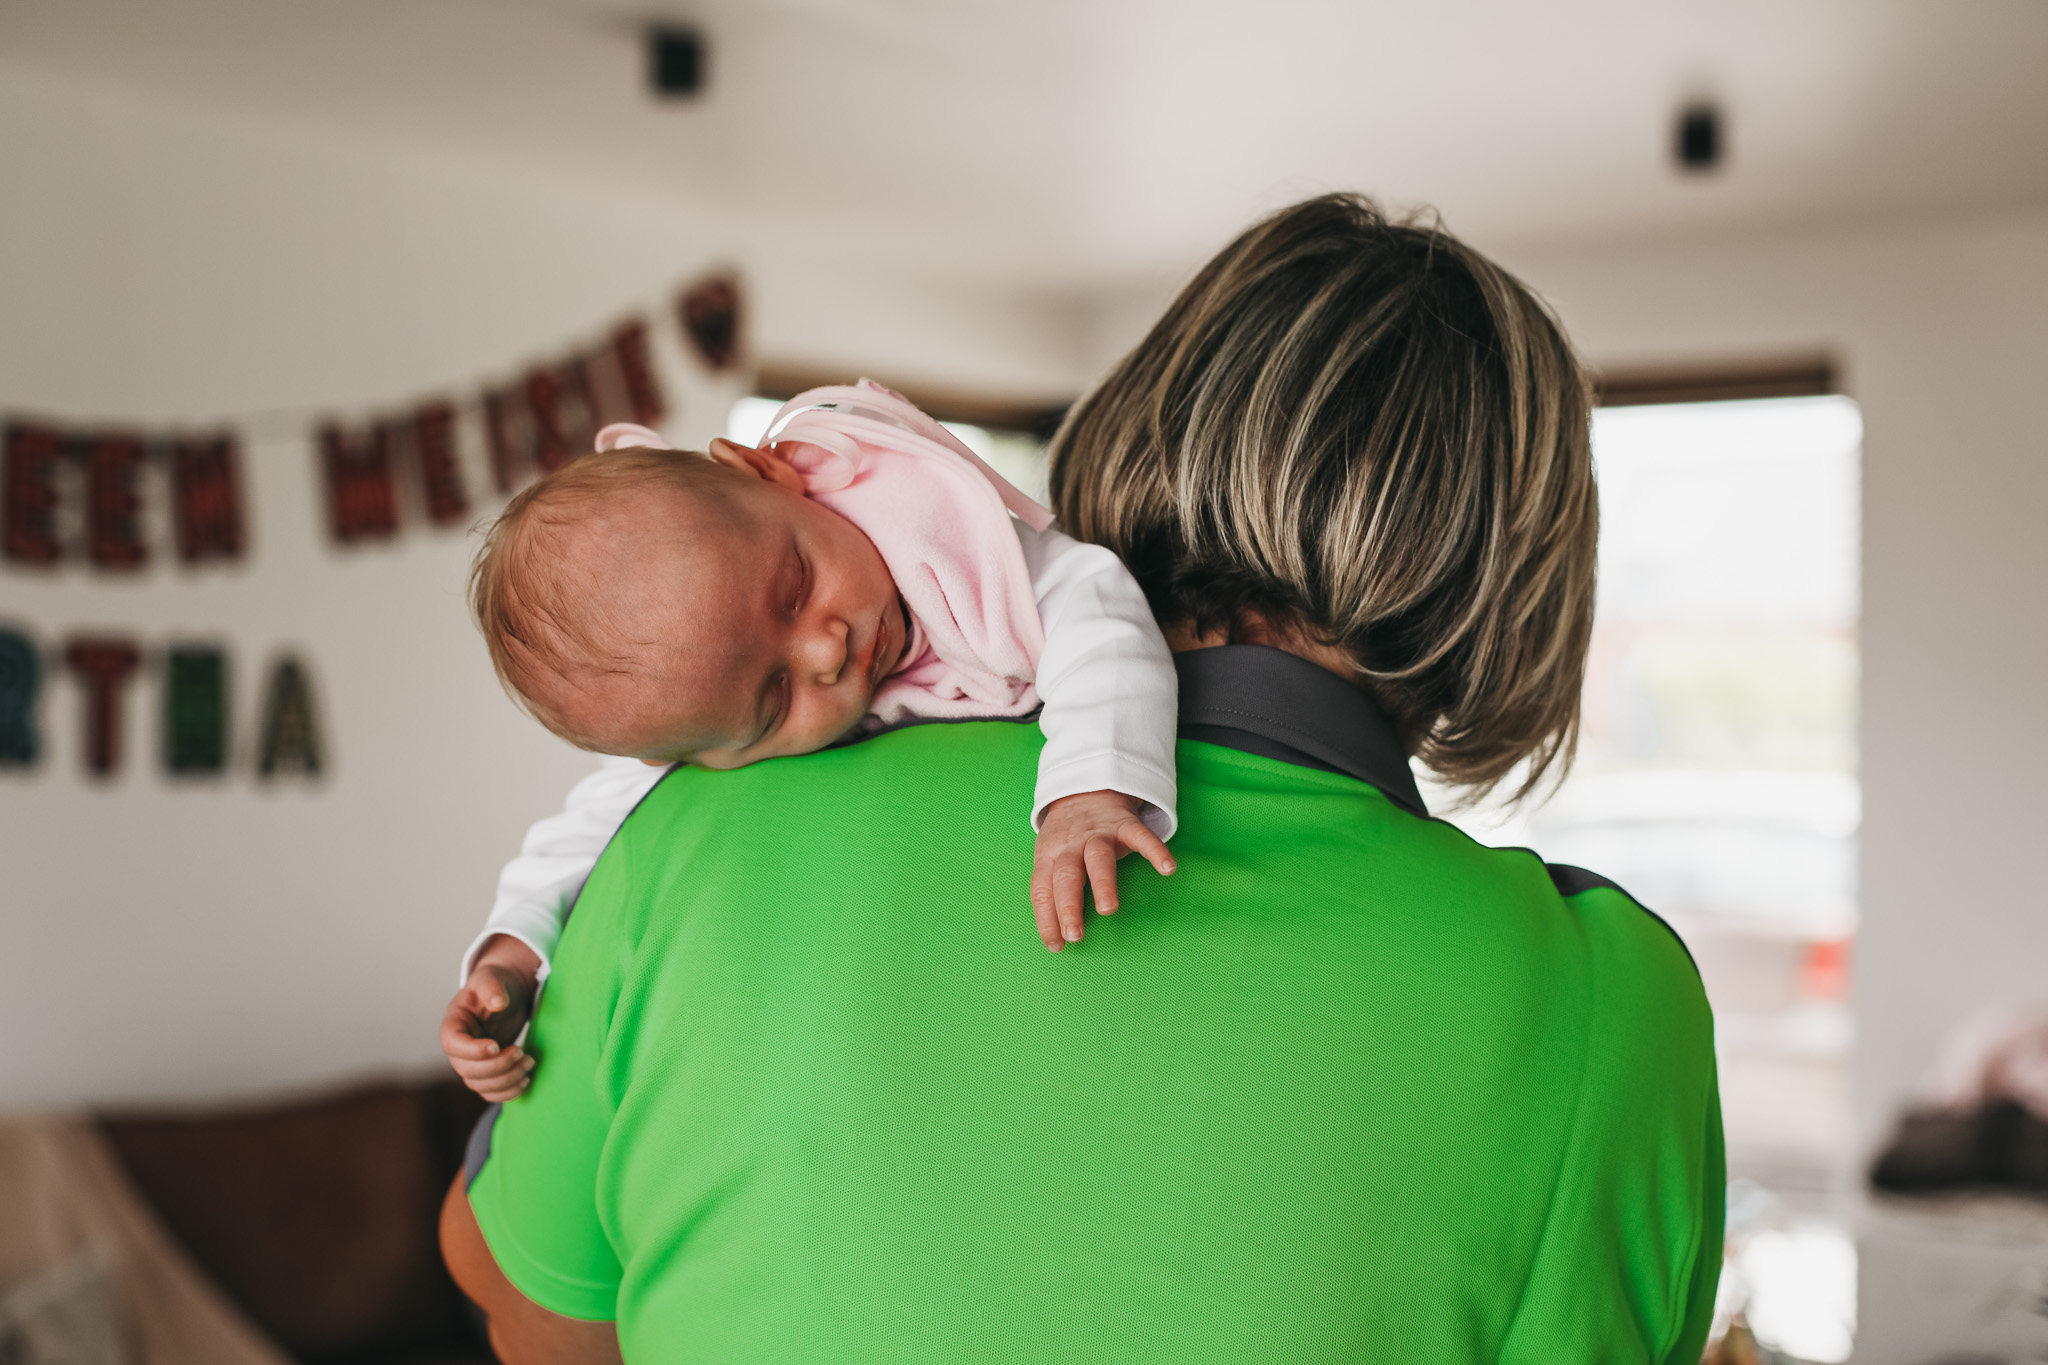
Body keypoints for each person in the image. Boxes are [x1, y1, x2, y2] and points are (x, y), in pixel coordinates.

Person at [443, 193, 1724, 1364]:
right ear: (1520, 584)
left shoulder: (695, 831)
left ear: (1142, 425)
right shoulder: (1607, 1006)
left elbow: (525, 1300)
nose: (825, 649)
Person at [441, 381, 1183, 1100]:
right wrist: (510, 958)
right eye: (774, 697)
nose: (827, 652)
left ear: (768, 475)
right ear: (700, 753)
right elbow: (584, 830)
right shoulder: (686, 719)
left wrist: (1090, 786)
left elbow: (1093, 605)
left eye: (795, 588)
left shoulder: (927, 533)